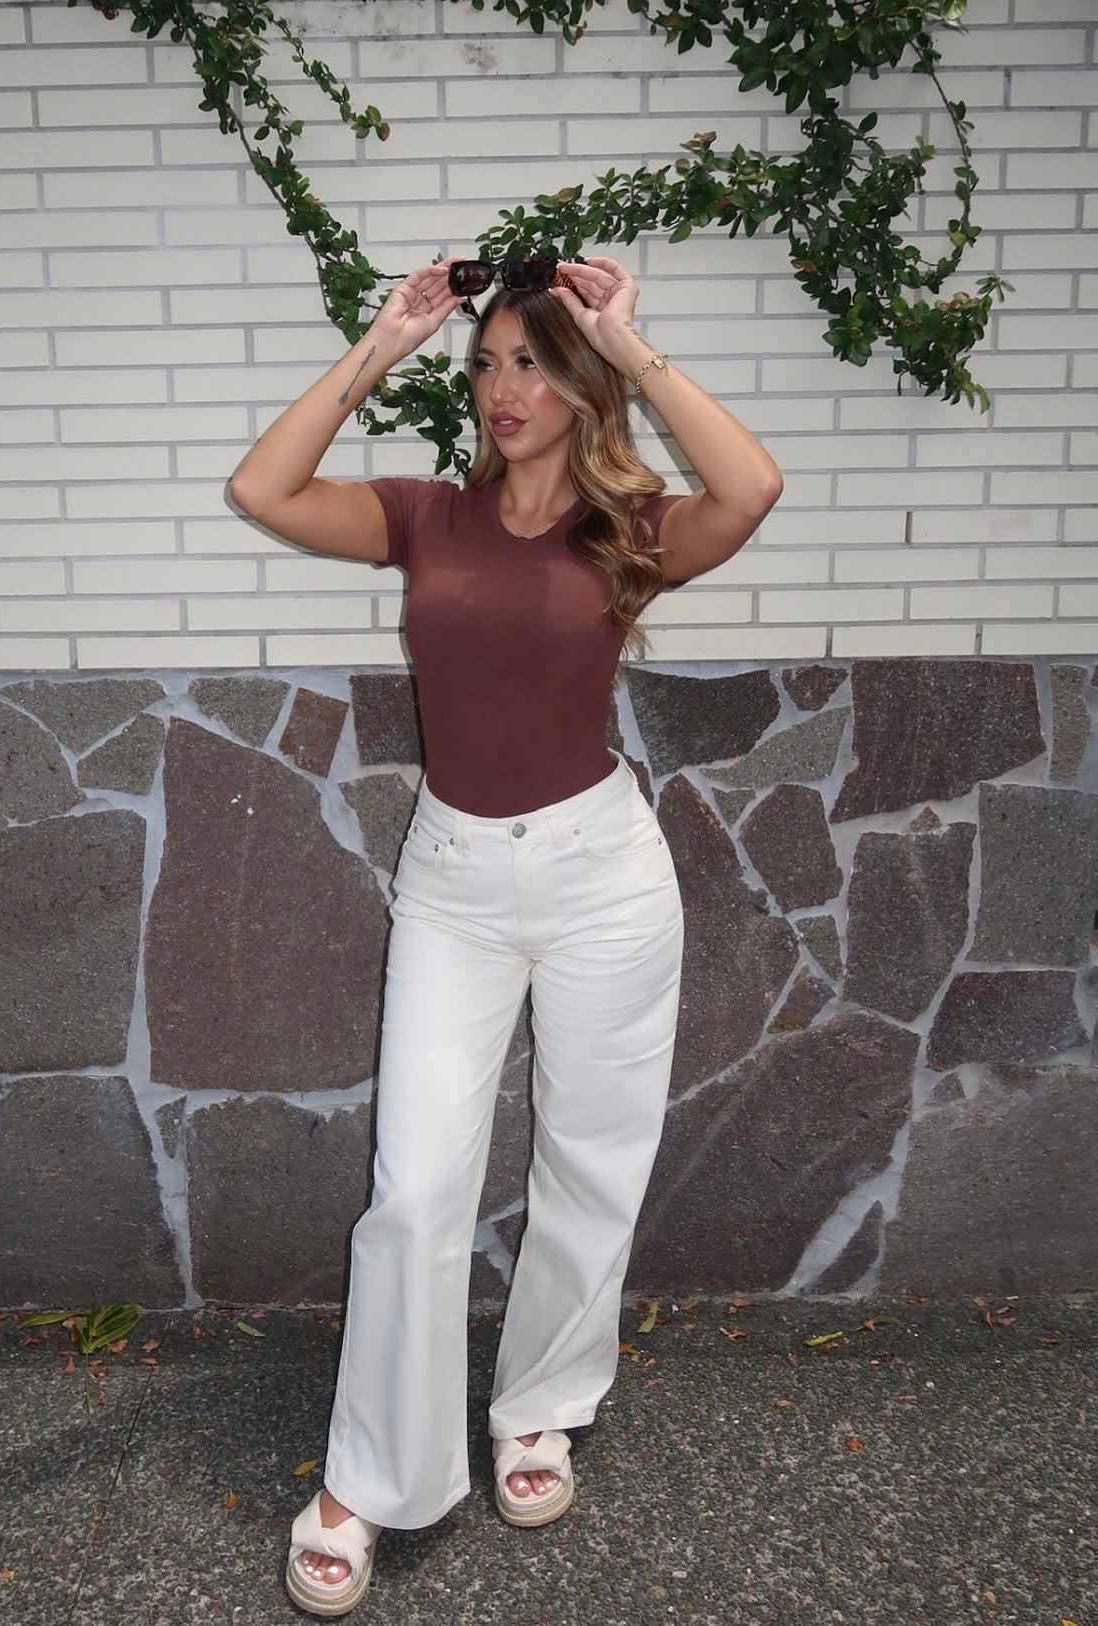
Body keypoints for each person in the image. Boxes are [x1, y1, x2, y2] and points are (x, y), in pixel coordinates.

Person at [229, 251, 783, 1617]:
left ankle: (538, 1401)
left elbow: (753, 486)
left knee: (594, 1154)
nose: (501, 389)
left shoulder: (630, 525)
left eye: (531, 361)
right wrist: (387, 340)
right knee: (414, 1186)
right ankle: (372, 1469)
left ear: (579, 375)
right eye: (485, 366)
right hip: (454, 884)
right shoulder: (426, 516)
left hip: (604, 876)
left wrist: (632, 341)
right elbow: (264, 488)